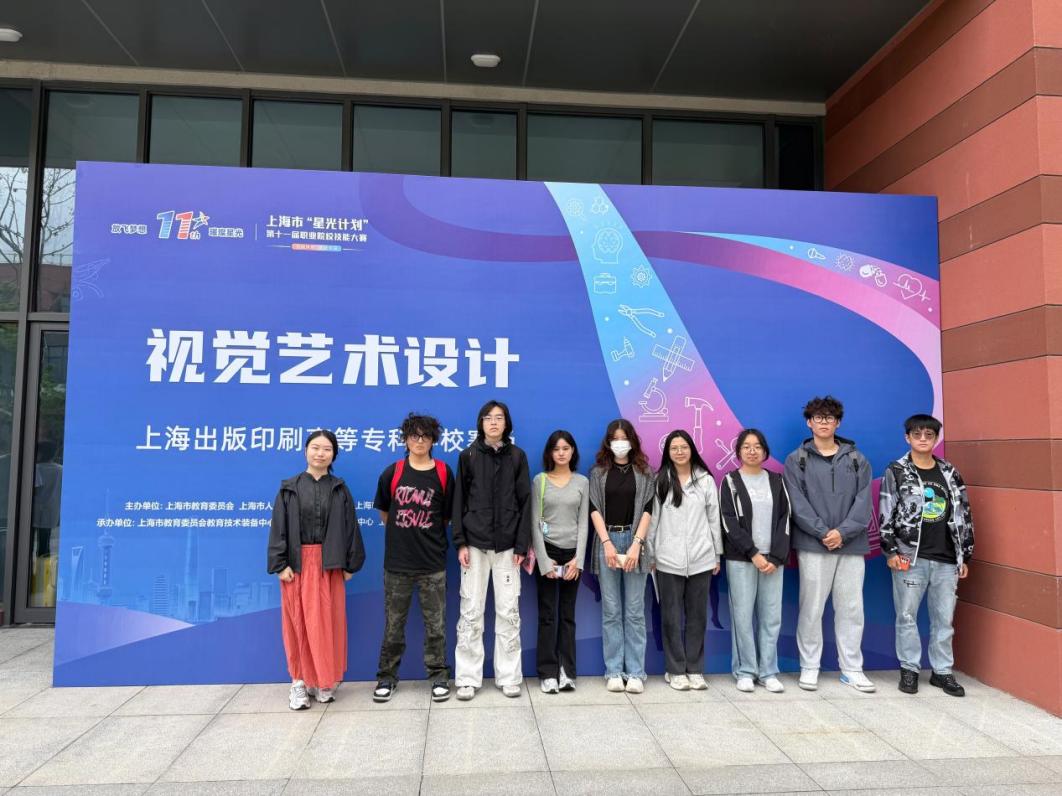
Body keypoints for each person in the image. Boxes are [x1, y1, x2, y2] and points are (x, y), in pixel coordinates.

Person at [783, 396, 875, 693]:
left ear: (838, 423)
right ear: (809, 423)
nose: (824, 422)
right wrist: (824, 533)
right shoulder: (796, 459)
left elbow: (864, 502)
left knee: (851, 608)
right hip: (813, 545)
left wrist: (843, 533)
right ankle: (809, 667)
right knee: (811, 608)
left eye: (830, 418)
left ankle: (852, 669)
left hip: (851, 545)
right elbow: (797, 503)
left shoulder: (857, 459)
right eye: (818, 418)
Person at [267, 429, 365, 710]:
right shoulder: (289, 488)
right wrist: (280, 564)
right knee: (298, 624)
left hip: (330, 564)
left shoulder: (339, 489)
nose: (320, 453)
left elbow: (350, 527)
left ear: (334, 455)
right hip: (297, 565)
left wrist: (350, 563)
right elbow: (279, 527)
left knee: (327, 624)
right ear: (305, 450)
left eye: (327, 449)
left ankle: (324, 682)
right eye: (315, 447)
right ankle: (298, 683)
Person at [879, 414, 974, 697]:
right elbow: (886, 511)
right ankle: (909, 670)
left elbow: (964, 513)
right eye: (917, 434)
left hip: (947, 559)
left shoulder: (949, 472)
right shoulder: (897, 470)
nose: (923, 439)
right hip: (910, 557)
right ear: (907, 437)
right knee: (906, 616)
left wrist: (964, 554)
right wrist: (890, 550)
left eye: (929, 435)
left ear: (936, 439)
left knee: (944, 619)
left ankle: (942, 672)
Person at [372, 413, 456, 703]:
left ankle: (438, 677)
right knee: (393, 626)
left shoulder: (443, 473)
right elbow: (385, 513)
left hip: (433, 564)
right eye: (414, 436)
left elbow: (445, 518)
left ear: (433, 440)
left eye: (425, 436)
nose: (420, 441)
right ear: (405, 440)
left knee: (436, 627)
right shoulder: (393, 472)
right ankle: (386, 678)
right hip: (397, 565)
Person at [452, 400, 532, 700]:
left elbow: (526, 502)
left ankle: (509, 676)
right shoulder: (468, 456)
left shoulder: (517, 457)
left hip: (508, 548)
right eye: (488, 418)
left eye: (499, 418)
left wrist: (521, 544)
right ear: (481, 423)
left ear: (506, 423)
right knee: (470, 611)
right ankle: (467, 678)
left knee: (509, 612)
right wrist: (460, 542)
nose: (494, 422)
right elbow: (458, 501)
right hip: (474, 545)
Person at [646, 429, 722, 691]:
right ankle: (675, 669)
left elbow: (714, 520)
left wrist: (716, 554)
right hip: (668, 560)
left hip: (702, 559)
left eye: (684, 447)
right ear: (667, 452)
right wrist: (651, 554)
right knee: (670, 617)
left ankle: (695, 669)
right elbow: (653, 521)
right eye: (674, 448)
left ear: (692, 449)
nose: (679, 452)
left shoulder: (705, 481)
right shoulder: (660, 481)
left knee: (697, 617)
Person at [720, 429, 791, 694]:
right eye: (746, 446)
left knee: (771, 617)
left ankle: (768, 671)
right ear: (738, 451)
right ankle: (746, 671)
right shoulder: (730, 481)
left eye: (757, 446)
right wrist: (753, 553)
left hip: (773, 561)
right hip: (742, 559)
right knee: (742, 616)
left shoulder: (777, 480)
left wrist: (776, 557)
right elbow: (728, 522)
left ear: (765, 451)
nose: (752, 451)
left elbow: (785, 519)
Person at [589, 419, 654, 694]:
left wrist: (637, 543)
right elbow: (594, 508)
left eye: (623, 438)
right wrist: (606, 543)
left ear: (632, 441)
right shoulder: (598, 472)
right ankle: (614, 671)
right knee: (612, 610)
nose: (619, 443)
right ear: (608, 442)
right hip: (607, 539)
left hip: (635, 539)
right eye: (614, 438)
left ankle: (636, 672)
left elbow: (648, 508)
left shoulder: (645, 472)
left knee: (635, 611)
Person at [531, 430, 589, 694]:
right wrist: (544, 561)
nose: (561, 453)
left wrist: (579, 559)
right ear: (550, 453)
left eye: (566, 448)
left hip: (573, 555)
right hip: (548, 552)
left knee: (567, 615)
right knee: (547, 615)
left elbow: (584, 523)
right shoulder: (540, 480)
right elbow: (534, 523)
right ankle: (547, 673)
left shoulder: (582, 482)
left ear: (573, 451)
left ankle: (567, 671)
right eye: (556, 449)